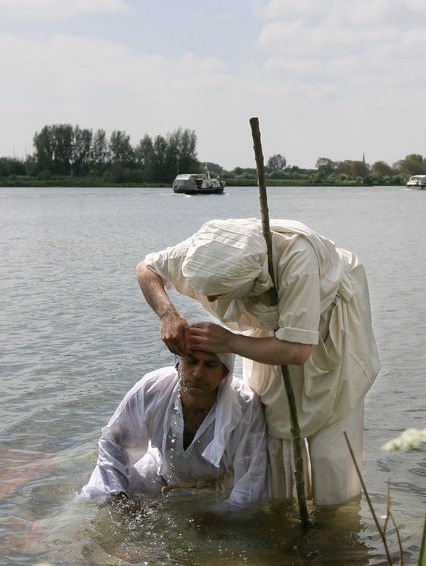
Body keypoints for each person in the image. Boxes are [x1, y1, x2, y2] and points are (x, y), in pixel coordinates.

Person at [136, 218, 380, 506]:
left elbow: (297, 352)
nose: (210, 298)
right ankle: (282, 509)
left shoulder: (297, 261)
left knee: (331, 444)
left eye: (219, 294)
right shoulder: (204, 249)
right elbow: (146, 269)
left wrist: (229, 342)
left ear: (250, 281)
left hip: (330, 327)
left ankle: (336, 521)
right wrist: (168, 314)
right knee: (274, 424)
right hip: (270, 328)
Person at [79, 348, 268, 509]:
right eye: (191, 362)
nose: (198, 373)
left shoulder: (245, 404)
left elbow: (251, 478)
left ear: (225, 372)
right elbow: (113, 444)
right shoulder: (154, 387)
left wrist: (220, 516)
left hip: (216, 487)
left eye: (210, 365)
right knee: (98, 494)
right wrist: (120, 501)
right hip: (162, 471)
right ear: (178, 364)